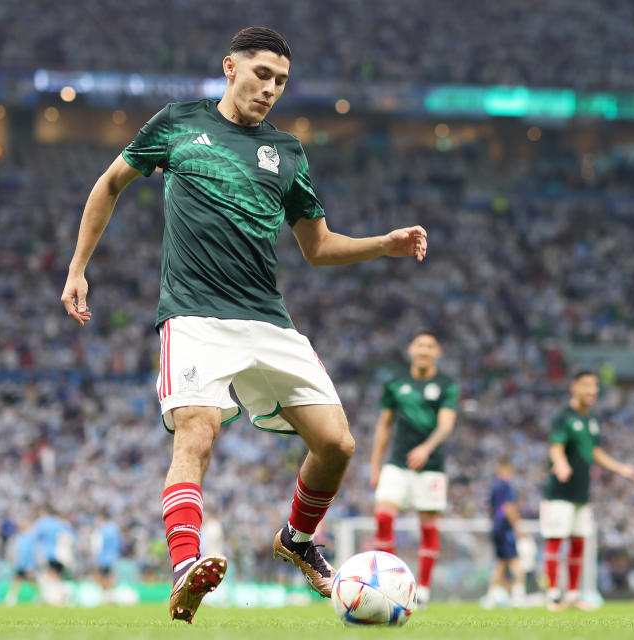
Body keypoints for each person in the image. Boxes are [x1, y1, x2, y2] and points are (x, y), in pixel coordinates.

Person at [60, 26, 428, 623]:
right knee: (197, 431)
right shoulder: (178, 124)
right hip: (194, 315)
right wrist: (78, 268)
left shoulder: (286, 153)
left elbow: (318, 245)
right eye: (262, 75)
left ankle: (296, 539)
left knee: (337, 445)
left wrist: (382, 244)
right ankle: (185, 563)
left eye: (281, 81)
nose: (271, 89)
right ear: (230, 67)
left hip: (267, 320)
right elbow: (109, 184)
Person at [369, 331, 459, 607]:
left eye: (430, 346)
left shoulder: (446, 385)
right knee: (384, 517)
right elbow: (384, 425)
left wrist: (426, 448)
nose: (424, 350)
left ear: (437, 352)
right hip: (396, 463)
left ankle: (425, 591)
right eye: (420, 345)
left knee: (429, 526)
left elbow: (446, 424)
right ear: (411, 349)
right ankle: (388, 584)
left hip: (431, 467)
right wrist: (375, 465)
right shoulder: (396, 384)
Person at [539, 370, 634, 611]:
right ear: (574, 387)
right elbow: (556, 446)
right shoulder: (563, 416)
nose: (592, 391)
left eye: (594, 386)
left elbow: (594, 452)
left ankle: (573, 595)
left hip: (581, 494)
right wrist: (560, 463)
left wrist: (618, 467)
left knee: (578, 543)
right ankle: (553, 595)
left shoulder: (591, 419)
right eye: (586, 385)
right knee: (555, 541)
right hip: (559, 492)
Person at [481, 458, 526, 609]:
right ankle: (519, 595)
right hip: (505, 529)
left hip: (496, 528)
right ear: (507, 470)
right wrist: (517, 527)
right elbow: (508, 508)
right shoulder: (506, 486)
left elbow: (491, 509)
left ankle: (492, 596)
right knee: (515, 561)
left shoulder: (494, 486)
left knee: (500, 563)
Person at [5, 520, 37, 606]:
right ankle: (12, 596)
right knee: (20, 580)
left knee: (30, 580)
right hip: (23, 564)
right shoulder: (21, 538)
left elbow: (31, 552)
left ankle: (36, 597)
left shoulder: (28, 538)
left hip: (27, 563)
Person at [92, 513, 123, 596]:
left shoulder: (101, 530)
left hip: (103, 557)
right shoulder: (114, 529)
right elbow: (119, 544)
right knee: (110, 576)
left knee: (101, 576)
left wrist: (95, 557)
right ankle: (110, 593)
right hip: (113, 557)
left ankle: (104, 594)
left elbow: (98, 545)